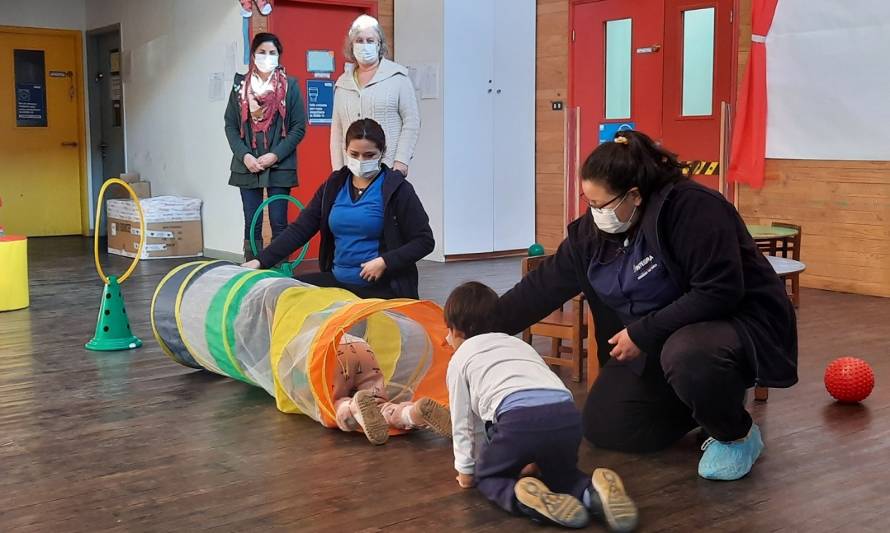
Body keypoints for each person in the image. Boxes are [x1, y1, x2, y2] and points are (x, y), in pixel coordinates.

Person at [494, 130, 798, 481]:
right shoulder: (590, 235)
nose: (594, 213)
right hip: (654, 344)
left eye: (601, 205)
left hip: (727, 327)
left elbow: (719, 291)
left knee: (689, 356)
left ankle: (736, 433)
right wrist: (477, 330)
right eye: (587, 202)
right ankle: (705, 403)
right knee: (606, 426)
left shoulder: (693, 209)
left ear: (634, 196)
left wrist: (643, 331)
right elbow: (540, 289)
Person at [444, 282, 639, 532]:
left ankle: (523, 498)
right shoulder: (518, 345)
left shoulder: (460, 358)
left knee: (489, 475)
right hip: (566, 415)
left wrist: (467, 471)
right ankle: (592, 492)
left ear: (456, 330)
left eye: (448, 332)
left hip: (518, 420)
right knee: (563, 476)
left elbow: (462, 423)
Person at [241, 118, 434, 299]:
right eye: (354, 154)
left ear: (382, 153)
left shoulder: (398, 189)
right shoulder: (334, 185)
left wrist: (385, 261)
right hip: (338, 282)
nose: (361, 160)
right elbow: (300, 229)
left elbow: (424, 241)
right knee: (284, 294)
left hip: (381, 288)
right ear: (345, 150)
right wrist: (260, 261)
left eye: (369, 155)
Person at [225, 32, 306, 262]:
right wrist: (245, 156)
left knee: (280, 221)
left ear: (279, 56)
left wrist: (275, 155)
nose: (267, 57)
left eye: (272, 53)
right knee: (252, 221)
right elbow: (230, 126)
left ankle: (280, 270)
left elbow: (299, 128)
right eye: (262, 52)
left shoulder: (290, 86)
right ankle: (251, 271)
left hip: (280, 166)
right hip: (246, 166)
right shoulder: (240, 86)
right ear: (253, 55)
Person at [330, 15, 420, 176]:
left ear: (379, 45)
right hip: (352, 171)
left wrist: (401, 160)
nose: (364, 45)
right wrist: (337, 171)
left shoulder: (398, 78)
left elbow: (412, 121)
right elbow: (336, 131)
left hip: (388, 168)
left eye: (370, 41)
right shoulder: (342, 83)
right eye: (359, 40)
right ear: (351, 45)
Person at [329, 334, 451, 445]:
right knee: (378, 403)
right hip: (360, 345)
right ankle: (410, 414)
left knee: (332, 402)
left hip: (332, 350)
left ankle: (351, 407)